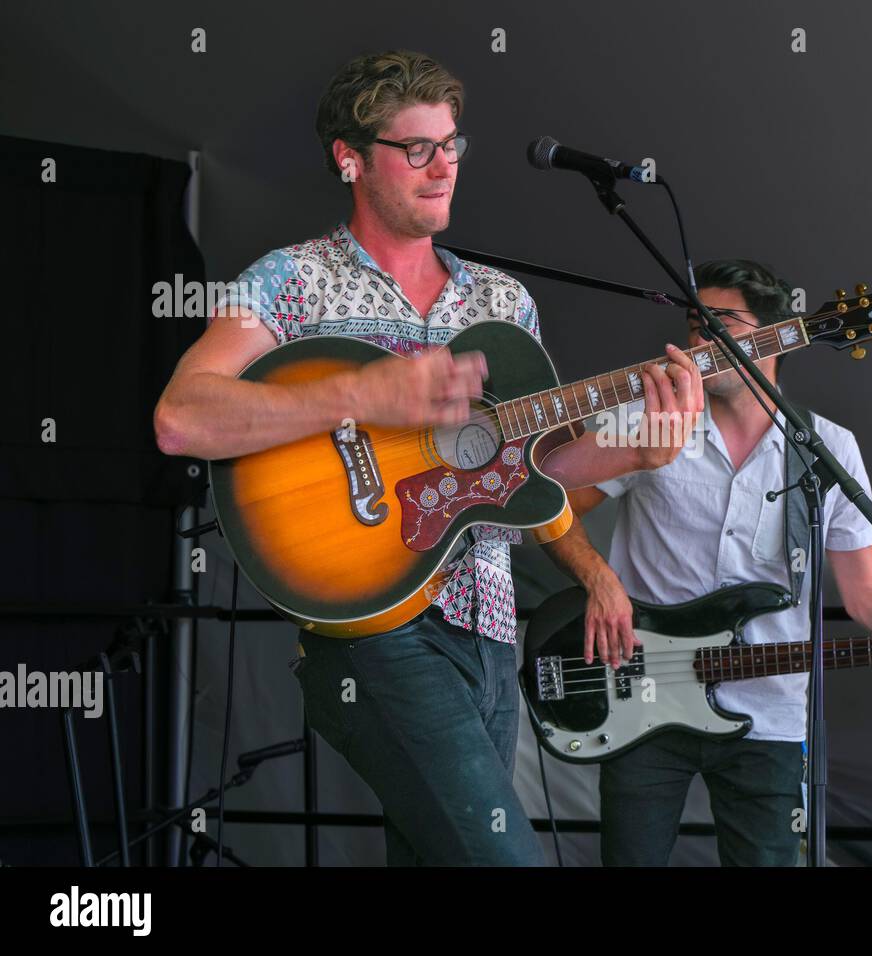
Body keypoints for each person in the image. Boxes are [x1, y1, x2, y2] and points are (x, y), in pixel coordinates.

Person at [152, 50, 703, 865]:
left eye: (451, 145)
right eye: (417, 148)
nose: (443, 166)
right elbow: (180, 417)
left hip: (490, 634)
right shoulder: (291, 280)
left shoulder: (501, 302)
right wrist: (363, 398)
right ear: (350, 158)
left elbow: (526, 473)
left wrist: (638, 453)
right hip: (377, 634)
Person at [566, 259, 872, 866]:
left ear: (772, 335)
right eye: (694, 326)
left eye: (720, 324)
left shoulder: (827, 449)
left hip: (770, 714)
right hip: (640, 698)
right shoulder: (647, 423)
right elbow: (549, 507)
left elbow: (868, 595)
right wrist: (598, 578)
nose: (700, 343)